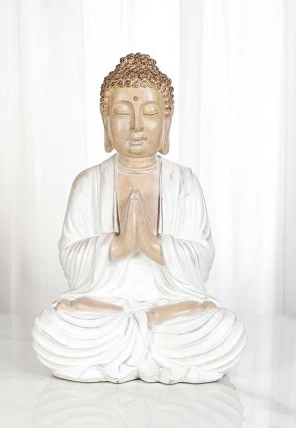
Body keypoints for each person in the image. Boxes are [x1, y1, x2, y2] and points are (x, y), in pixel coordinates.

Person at [32, 53, 247, 383]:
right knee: (54, 323)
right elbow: (70, 258)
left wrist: (151, 245)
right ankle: (144, 335)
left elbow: (202, 260)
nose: (136, 126)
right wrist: (118, 246)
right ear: (106, 122)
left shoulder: (184, 182)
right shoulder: (88, 183)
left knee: (223, 327)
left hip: (170, 305)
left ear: (167, 122)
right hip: (105, 305)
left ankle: (140, 334)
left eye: (149, 113)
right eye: (122, 113)